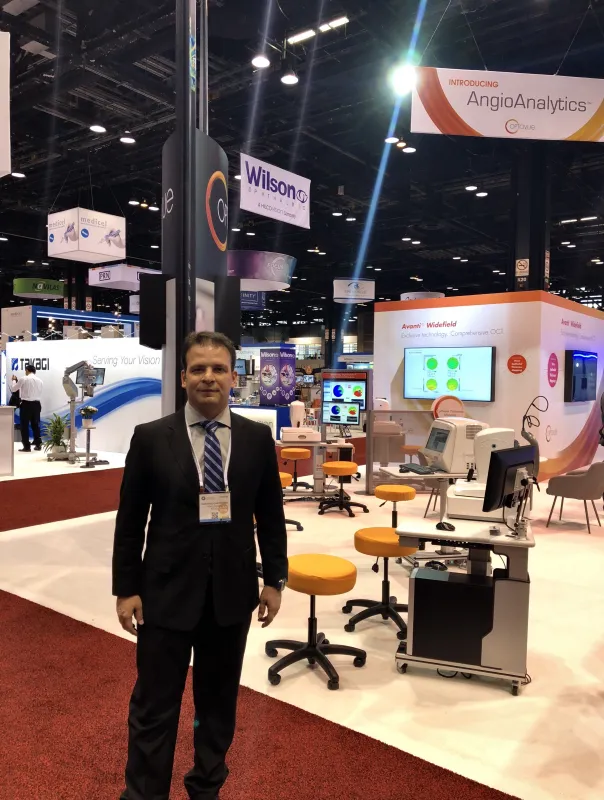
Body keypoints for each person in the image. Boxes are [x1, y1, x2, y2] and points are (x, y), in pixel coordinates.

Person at [112, 331, 288, 800]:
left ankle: (206, 788)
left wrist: (275, 579)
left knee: (218, 705)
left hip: (231, 594)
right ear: (183, 377)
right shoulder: (151, 438)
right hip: (164, 595)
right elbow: (130, 521)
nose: (208, 377)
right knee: (154, 706)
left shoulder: (256, 438)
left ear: (233, 376)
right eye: (198, 369)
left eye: (218, 368)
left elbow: (270, 515)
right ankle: (145, 793)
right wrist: (126, 588)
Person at [11, 364, 43, 452]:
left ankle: (26, 446)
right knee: (35, 425)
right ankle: (38, 444)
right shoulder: (40, 381)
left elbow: (14, 389)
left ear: (27, 370)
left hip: (26, 404)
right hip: (37, 404)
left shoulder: (24, 379)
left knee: (24, 426)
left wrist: (14, 380)